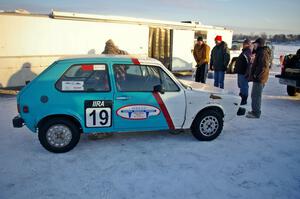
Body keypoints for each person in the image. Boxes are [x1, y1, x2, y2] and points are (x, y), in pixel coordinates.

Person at [246, 38, 272, 119]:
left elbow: (263, 66)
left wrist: (256, 75)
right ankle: (255, 111)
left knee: (256, 95)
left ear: (259, 44)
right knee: (255, 95)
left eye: (255, 44)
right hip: (259, 77)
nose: (254, 45)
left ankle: (256, 113)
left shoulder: (263, 52)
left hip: (260, 78)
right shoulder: (259, 52)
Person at [234, 39, 252, 105]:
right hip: (241, 72)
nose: (243, 45)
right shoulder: (244, 51)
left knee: (244, 86)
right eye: (243, 44)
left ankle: (244, 99)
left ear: (247, 44)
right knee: (241, 85)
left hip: (244, 73)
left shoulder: (248, 52)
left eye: (244, 44)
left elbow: (250, 64)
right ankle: (241, 97)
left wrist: (248, 73)